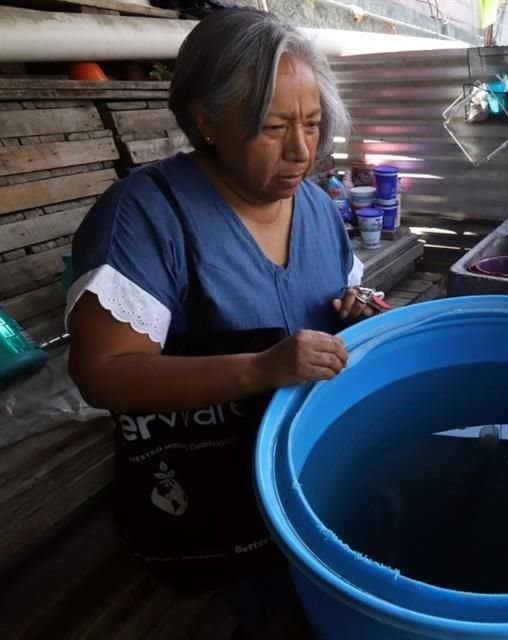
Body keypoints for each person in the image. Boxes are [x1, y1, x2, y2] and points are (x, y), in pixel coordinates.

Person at [66, 8, 369, 634]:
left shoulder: (314, 205)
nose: (301, 150)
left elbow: (335, 295)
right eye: (273, 127)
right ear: (206, 120)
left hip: (308, 476)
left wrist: (354, 310)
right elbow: (103, 374)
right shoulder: (146, 217)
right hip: (212, 501)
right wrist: (261, 368)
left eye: (312, 125)